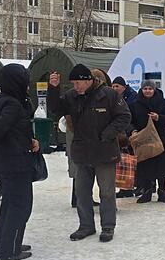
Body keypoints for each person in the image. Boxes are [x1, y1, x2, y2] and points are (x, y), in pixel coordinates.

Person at [47, 64, 131, 243]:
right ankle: (86, 225)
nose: (76, 87)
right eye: (73, 83)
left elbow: (124, 116)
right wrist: (53, 89)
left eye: (78, 83)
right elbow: (55, 109)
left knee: (107, 192)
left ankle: (108, 226)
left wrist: (108, 134)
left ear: (89, 80)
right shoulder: (71, 96)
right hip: (82, 152)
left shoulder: (109, 95)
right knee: (82, 192)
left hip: (104, 151)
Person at [0, 64, 39, 260]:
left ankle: (9, 244)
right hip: (15, 163)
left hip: (9, 161)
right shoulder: (12, 104)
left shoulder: (4, 100)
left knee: (9, 205)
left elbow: (13, 130)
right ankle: (9, 250)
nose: (27, 85)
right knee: (19, 206)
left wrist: (28, 140)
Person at [129, 80, 165, 204]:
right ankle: (147, 191)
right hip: (144, 141)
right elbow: (129, 120)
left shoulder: (162, 102)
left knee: (162, 166)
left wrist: (158, 117)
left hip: (161, 140)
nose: (147, 91)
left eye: (150, 89)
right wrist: (133, 130)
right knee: (145, 165)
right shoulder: (135, 104)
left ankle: (162, 191)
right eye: (145, 89)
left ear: (154, 90)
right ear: (141, 90)